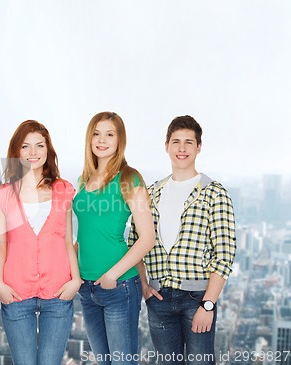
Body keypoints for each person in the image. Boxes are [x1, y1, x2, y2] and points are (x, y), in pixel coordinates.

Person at [129, 115, 237, 365]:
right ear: (166, 146)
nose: (182, 148)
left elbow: (224, 253)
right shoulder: (151, 192)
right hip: (159, 299)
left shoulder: (215, 193)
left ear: (199, 147)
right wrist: (144, 286)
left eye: (189, 142)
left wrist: (208, 305)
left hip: (197, 299)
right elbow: (135, 242)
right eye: (176, 141)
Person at [0, 120, 82, 365]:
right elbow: (1, 244)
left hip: (58, 291)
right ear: (16, 152)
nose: (33, 153)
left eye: (39, 146)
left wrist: (75, 280)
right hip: (15, 292)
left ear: (48, 151)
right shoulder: (3, 194)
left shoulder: (64, 190)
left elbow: (68, 240)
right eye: (25, 147)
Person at [73, 111, 155, 365]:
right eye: (96, 133)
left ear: (120, 141)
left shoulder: (129, 178)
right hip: (87, 289)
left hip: (119, 287)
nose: (102, 139)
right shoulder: (83, 180)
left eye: (110, 134)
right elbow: (83, 236)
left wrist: (112, 276)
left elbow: (147, 238)